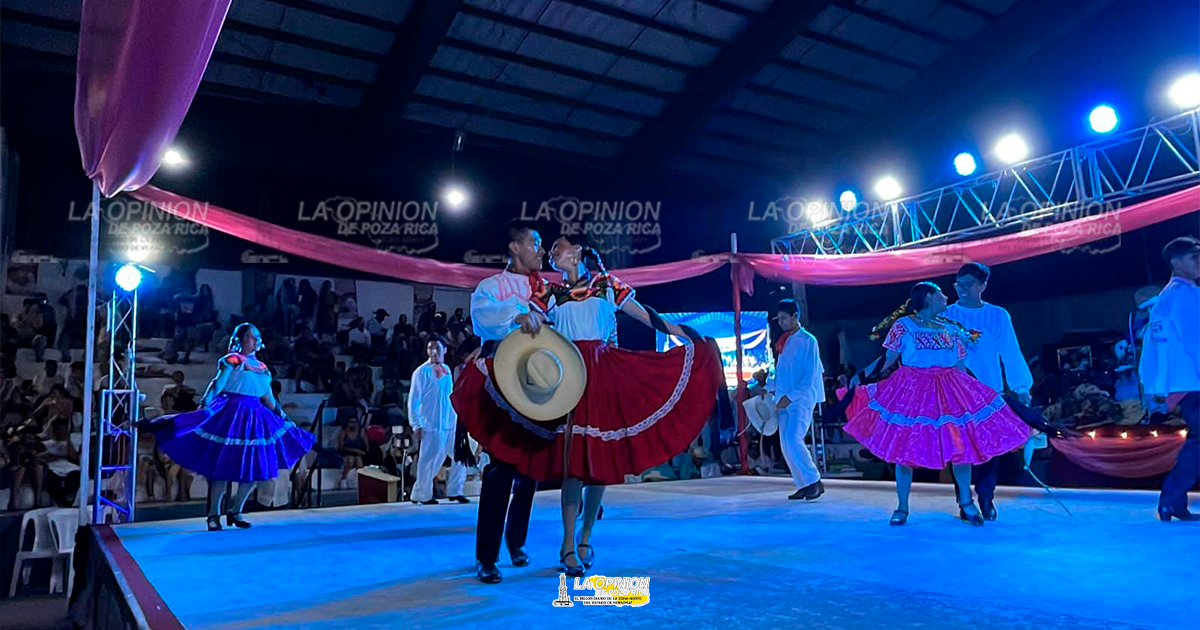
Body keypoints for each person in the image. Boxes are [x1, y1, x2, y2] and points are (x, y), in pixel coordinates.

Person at [458, 233, 720, 577]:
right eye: (545, 246)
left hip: (603, 371)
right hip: (569, 377)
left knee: (600, 459)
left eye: (557, 245)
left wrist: (684, 333)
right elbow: (522, 323)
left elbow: (646, 316)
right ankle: (564, 544)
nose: (550, 250)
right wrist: (489, 345)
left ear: (578, 250)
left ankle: (584, 537)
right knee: (572, 462)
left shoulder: (607, 284)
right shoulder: (549, 292)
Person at [842, 282, 1030, 526]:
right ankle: (902, 507)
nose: (946, 298)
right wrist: (861, 376)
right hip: (913, 392)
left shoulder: (951, 328)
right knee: (904, 451)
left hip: (948, 391)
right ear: (928, 298)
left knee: (960, 447)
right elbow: (888, 359)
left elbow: (960, 367)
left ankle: (967, 503)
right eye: (941, 294)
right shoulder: (904, 325)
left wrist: (974, 393)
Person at [451, 221, 551, 584]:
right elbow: (483, 319)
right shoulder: (491, 287)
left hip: (537, 380)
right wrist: (516, 315)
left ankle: (516, 541)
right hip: (502, 380)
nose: (541, 250)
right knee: (501, 468)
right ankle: (486, 555)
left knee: (530, 468)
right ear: (514, 247)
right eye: (534, 243)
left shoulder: (548, 290)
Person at [145, 323, 314, 530]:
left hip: (254, 419)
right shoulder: (232, 360)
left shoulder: (263, 368)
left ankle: (236, 510)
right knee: (223, 469)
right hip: (231, 415)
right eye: (251, 337)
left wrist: (284, 417)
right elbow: (218, 384)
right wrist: (204, 405)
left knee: (254, 469)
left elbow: (269, 399)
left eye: (257, 336)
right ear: (240, 340)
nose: (256, 340)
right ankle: (214, 513)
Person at [943, 262, 1034, 521]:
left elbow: (1010, 351)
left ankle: (986, 496)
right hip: (956, 393)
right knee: (959, 449)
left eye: (969, 284)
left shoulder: (997, 315)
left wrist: (1021, 387)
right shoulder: (946, 315)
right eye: (959, 284)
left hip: (990, 392)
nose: (963, 289)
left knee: (989, 448)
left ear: (983, 285)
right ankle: (964, 500)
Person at [1139, 236, 1200, 521]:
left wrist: (1156, 384)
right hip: (1193, 380)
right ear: (1176, 261)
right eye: (1193, 256)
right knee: (1197, 442)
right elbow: (1196, 341)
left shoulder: (1167, 297)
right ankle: (1171, 500)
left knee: (1197, 442)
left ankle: (1173, 502)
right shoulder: (1184, 295)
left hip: (1184, 382)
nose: (1199, 262)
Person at [772, 299, 826, 501]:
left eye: (784, 318)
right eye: (779, 319)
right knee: (786, 443)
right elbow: (782, 373)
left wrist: (791, 396)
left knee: (793, 439)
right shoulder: (784, 340)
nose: (781, 323)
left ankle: (814, 481)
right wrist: (770, 390)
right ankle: (803, 483)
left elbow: (810, 375)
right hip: (783, 399)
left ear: (795, 316)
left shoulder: (808, 340)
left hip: (801, 399)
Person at [408, 338, 466, 504]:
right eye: (430, 348)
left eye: (437, 348)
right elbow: (414, 400)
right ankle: (421, 494)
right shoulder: (421, 372)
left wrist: (457, 418)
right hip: (431, 424)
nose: (434, 352)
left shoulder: (446, 370)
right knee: (430, 459)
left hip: (449, 423)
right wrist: (416, 424)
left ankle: (455, 490)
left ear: (445, 350)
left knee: (460, 455)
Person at [335, 412, 368, 489]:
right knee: (350, 460)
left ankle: (361, 481)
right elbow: (340, 447)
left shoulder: (360, 432)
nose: (353, 424)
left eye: (355, 422)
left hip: (357, 454)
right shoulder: (343, 432)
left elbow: (366, 445)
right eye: (351, 422)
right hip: (344, 454)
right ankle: (343, 479)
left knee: (358, 461)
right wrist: (354, 450)